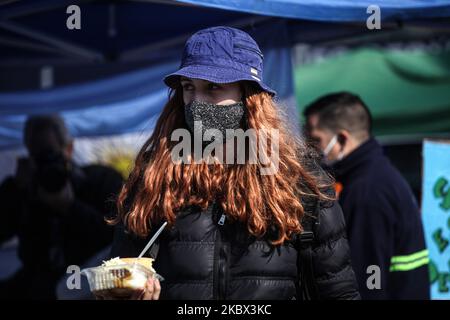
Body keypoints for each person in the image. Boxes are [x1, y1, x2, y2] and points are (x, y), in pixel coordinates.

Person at [108, 26, 360, 300]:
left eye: (213, 87)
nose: (196, 102)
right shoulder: (155, 175)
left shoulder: (299, 180)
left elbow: (338, 292)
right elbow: (122, 276)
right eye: (188, 88)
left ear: (248, 95)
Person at [303, 92, 430, 300]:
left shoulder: (367, 191)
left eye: (316, 140)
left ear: (342, 139)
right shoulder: (378, 174)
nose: (311, 150)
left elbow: (368, 276)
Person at [0, 114, 123, 299]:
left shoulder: (101, 180)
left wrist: (71, 207)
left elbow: (118, 239)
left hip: (90, 282)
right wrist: (15, 190)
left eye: (51, 154)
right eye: (38, 157)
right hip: (38, 282)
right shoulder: (25, 187)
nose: (46, 164)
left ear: (69, 149)